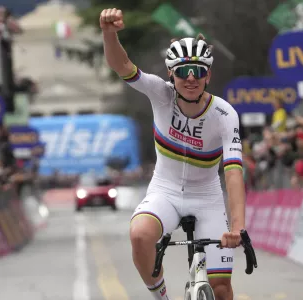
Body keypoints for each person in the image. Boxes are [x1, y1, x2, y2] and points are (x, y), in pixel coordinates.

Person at [100, 8, 246, 300]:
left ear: (208, 75)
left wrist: (238, 226)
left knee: (221, 290)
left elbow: (232, 172)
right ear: (171, 73)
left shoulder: (224, 114)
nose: (190, 79)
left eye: (198, 71)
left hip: (207, 197)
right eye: (182, 71)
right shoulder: (160, 94)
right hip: (164, 191)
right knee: (139, 235)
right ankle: (162, 296)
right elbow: (123, 65)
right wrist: (109, 34)